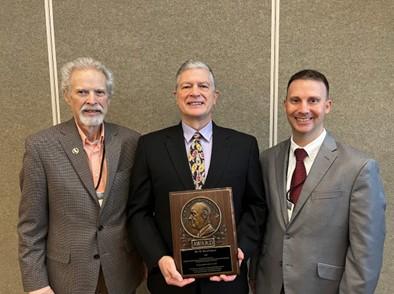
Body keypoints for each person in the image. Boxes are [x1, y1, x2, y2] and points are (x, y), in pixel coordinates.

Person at [128, 59, 266, 294]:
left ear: (215, 96)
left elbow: (256, 206)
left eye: (203, 86)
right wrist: (159, 259)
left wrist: (240, 251)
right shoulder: (150, 146)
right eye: (186, 86)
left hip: (226, 283)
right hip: (171, 282)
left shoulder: (245, 146)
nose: (195, 93)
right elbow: (138, 212)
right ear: (176, 94)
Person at [251, 69, 386, 293]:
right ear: (285, 104)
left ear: (328, 105)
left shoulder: (358, 168)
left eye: (313, 100)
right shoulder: (267, 159)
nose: (303, 109)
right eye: (295, 100)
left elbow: (366, 253)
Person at [18, 57, 144, 294]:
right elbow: (30, 226)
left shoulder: (131, 142)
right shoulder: (41, 147)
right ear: (67, 96)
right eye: (82, 92)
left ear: (109, 97)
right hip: (67, 279)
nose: (92, 100)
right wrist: (36, 284)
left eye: (99, 92)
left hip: (121, 275)